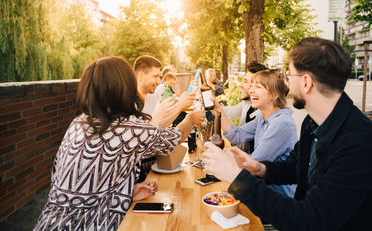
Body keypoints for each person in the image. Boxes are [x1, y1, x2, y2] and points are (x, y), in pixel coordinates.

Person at [203, 37, 372, 230]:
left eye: (290, 75)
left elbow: (310, 221)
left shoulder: (359, 145)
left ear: (306, 82)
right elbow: (296, 166)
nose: (287, 82)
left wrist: (237, 178)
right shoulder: (313, 122)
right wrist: (259, 168)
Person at [34, 56, 204, 230]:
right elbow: (176, 137)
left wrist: (126, 194)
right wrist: (190, 118)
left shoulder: (78, 123)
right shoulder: (127, 128)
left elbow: (85, 186)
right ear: (124, 86)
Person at [212, 69, 297, 197]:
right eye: (251, 86)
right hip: (261, 189)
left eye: (258, 87)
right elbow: (237, 135)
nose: (251, 90)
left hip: (278, 199)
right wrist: (219, 110)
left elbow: (253, 162)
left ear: (275, 95)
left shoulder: (281, 124)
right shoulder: (262, 118)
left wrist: (222, 162)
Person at [133, 55, 196, 127]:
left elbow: (161, 126)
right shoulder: (129, 104)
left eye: (159, 77)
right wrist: (180, 106)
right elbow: (147, 133)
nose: (159, 81)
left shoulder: (153, 98)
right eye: (155, 76)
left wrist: (186, 112)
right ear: (141, 76)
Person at [223, 61, 267, 153]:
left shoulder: (264, 115)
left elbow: (260, 159)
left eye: (246, 82)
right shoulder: (247, 104)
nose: (240, 85)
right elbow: (227, 114)